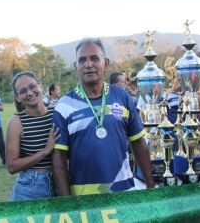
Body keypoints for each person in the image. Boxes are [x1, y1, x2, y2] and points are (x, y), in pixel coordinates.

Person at [52, 38, 154, 196]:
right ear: (76, 66)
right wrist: (67, 201)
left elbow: (138, 142)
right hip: (83, 197)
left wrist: (150, 185)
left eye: (94, 58)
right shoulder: (64, 105)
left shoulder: (123, 97)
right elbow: (59, 156)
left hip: (123, 192)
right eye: (82, 60)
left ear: (105, 63)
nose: (88, 64)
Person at [6, 71, 59, 201]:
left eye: (32, 86)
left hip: (61, 183)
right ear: (18, 97)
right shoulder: (16, 122)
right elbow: (12, 166)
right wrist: (45, 151)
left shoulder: (57, 113)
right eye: (23, 91)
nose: (29, 93)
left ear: (40, 86)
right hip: (31, 188)